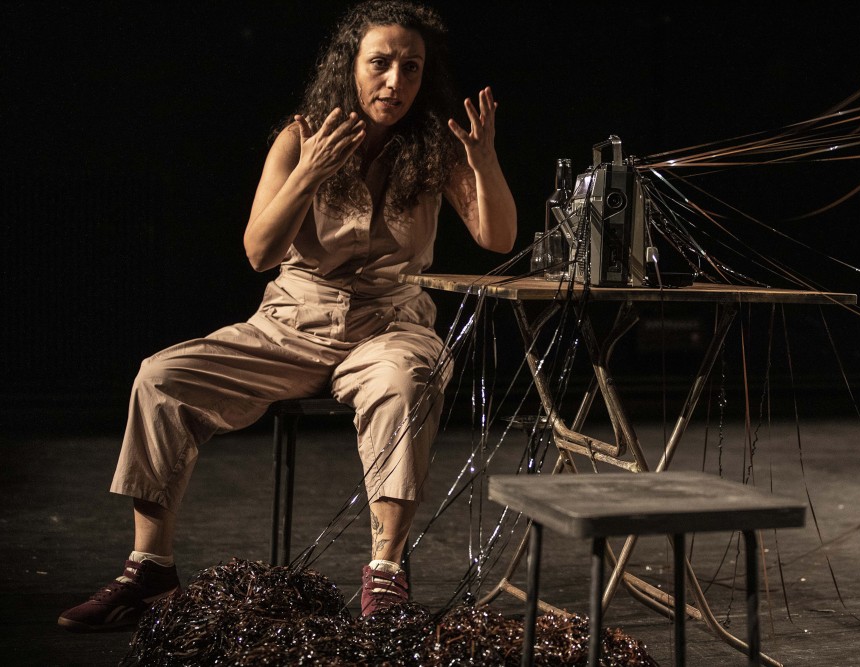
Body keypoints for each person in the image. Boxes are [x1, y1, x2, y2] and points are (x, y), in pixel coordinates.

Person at [57, 0, 516, 631]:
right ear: (349, 66)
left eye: (411, 68)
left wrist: (484, 160)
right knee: (161, 378)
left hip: (390, 327)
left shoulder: (432, 147)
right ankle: (151, 570)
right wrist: (308, 174)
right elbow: (259, 252)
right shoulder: (300, 138)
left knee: (405, 381)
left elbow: (498, 237)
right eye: (380, 64)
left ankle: (386, 573)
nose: (395, 81)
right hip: (290, 328)